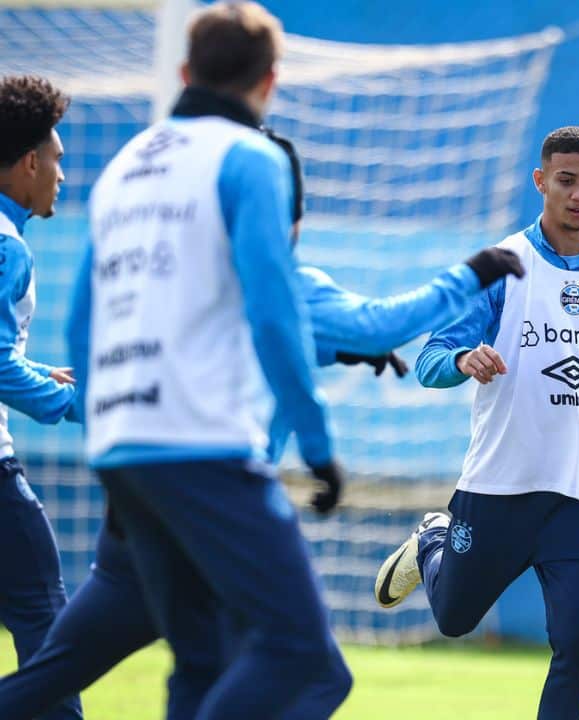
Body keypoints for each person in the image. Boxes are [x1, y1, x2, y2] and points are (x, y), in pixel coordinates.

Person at [0, 128, 524, 719]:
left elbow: (239, 342)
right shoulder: (287, 282)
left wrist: (333, 348)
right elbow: (378, 323)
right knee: (315, 671)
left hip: (135, 494)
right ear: (286, 215)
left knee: (100, 666)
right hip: (216, 501)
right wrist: (474, 272)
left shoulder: (183, 281)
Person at [65, 3, 347, 716]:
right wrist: (316, 445)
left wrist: (106, 452)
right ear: (271, 82)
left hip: (123, 446)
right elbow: (274, 311)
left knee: (201, 665)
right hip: (203, 443)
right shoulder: (251, 158)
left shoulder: (126, 164)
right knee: (304, 657)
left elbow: (78, 325)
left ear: (186, 72)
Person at [374, 125, 579, 720]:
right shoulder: (501, 267)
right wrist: (464, 360)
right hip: (503, 484)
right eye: (566, 181)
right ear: (541, 181)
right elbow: (430, 361)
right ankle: (433, 539)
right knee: (456, 619)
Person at [0, 73, 82, 720]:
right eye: (56, 160)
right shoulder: (8, 247)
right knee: (49, 626)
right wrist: (87, 405)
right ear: (28, 163)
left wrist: (32, 370)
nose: (61, 175)